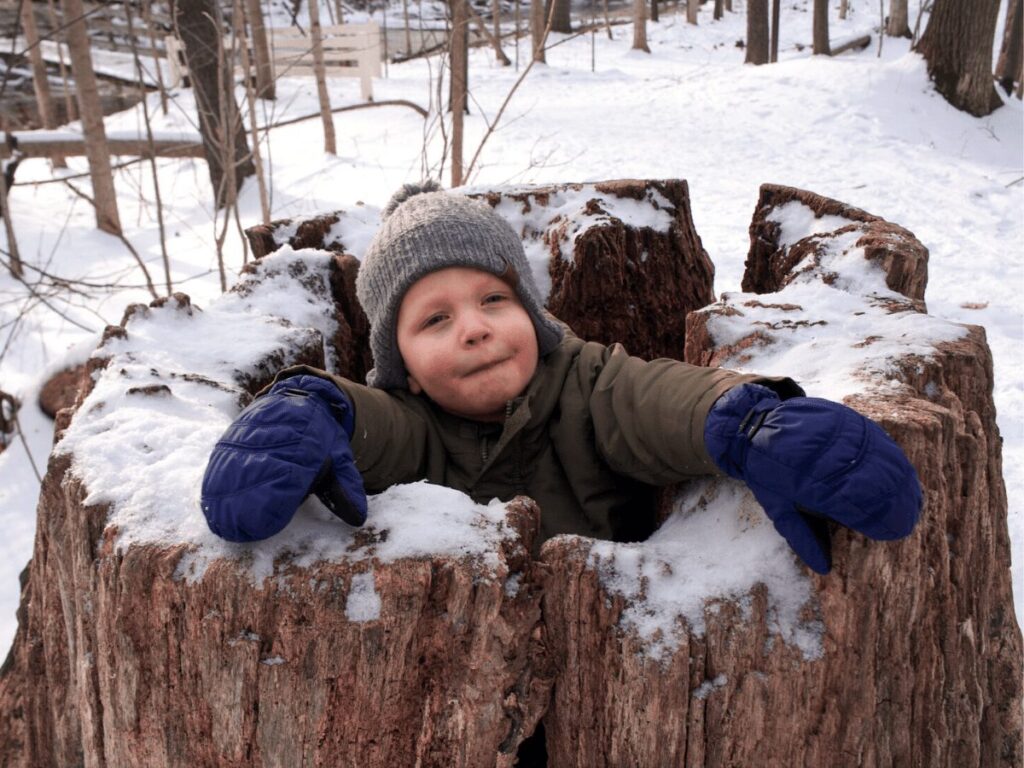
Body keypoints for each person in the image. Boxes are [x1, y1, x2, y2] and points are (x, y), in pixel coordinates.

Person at [200, 182, 921, 575]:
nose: (475, 328)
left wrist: (745, 418)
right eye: (435, 321)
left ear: (532, 314)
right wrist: (311, 406)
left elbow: (650, 398)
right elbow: (372, 425)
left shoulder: (581, 381)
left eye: (494, 300)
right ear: (402, 368)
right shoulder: (413, 420)